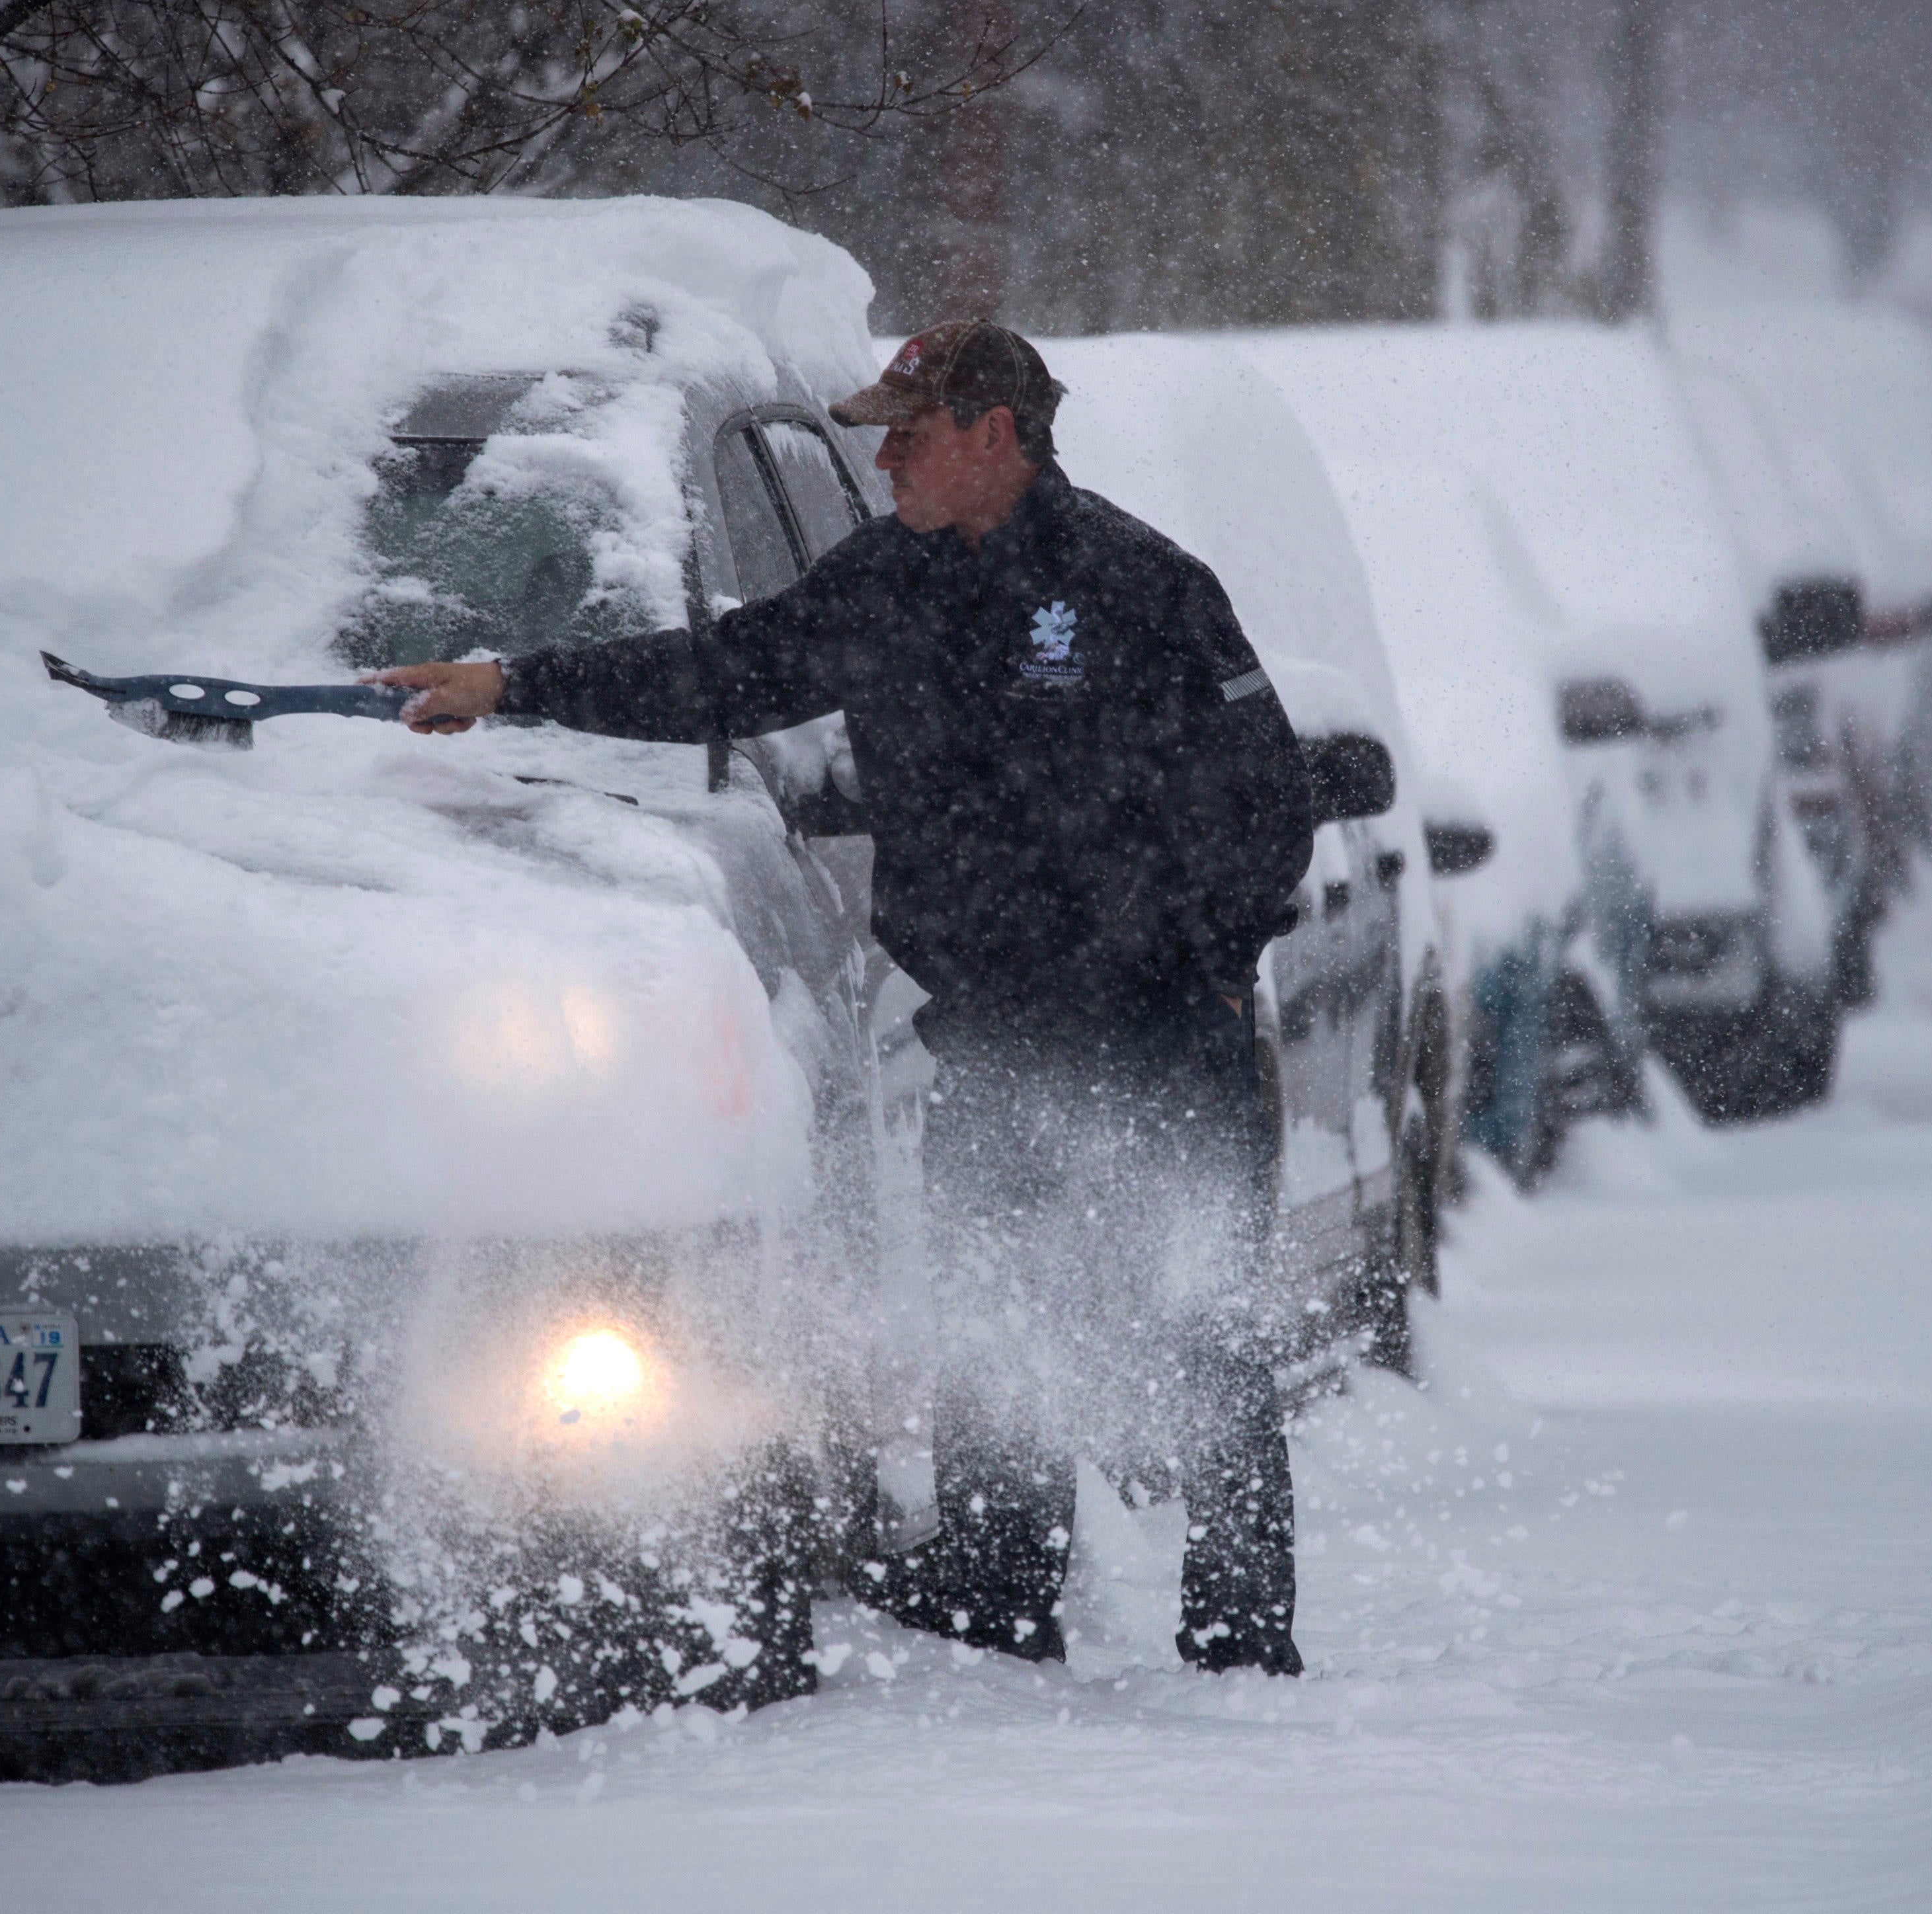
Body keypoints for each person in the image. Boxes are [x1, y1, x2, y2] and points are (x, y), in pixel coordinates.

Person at [375, 321, 1316, 1676]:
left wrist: (1200, 960)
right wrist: (514, 683)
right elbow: (725, 670)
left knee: (1195, 1322)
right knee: (1006, 1312)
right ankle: (1000, 1600)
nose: (882, 459)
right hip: (996, 1032)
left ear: (995, 432)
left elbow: (1267, 803)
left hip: (1166, 1031)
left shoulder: (1144, 582)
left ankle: (1239, 1641)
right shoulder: (889, 582)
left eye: (909, 434)